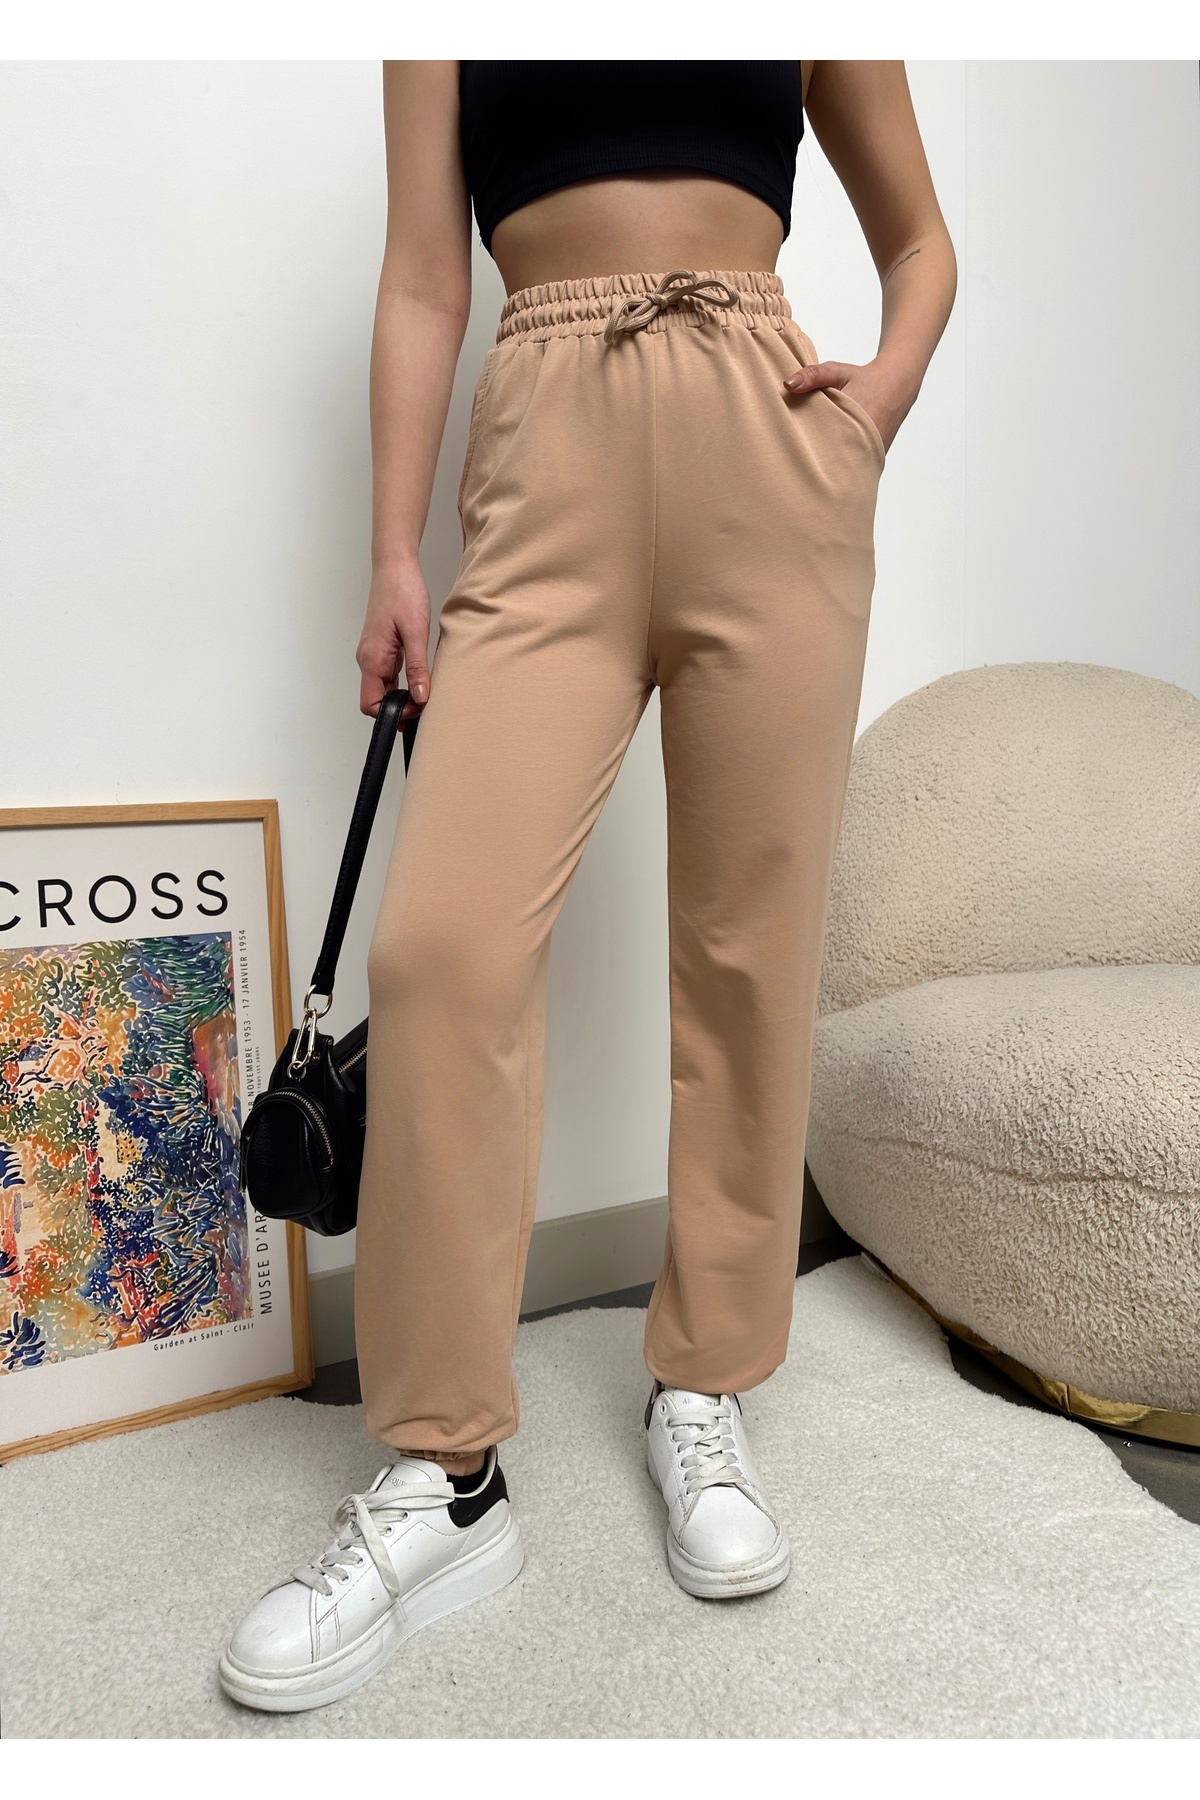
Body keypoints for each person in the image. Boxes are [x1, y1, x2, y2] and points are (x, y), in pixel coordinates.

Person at [219, 59, 956, 1713]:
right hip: (545, 444)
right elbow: (426, 275)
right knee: (440, 956)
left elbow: (922, 241)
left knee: (751, 950)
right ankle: (445, 1472)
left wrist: (878, 404)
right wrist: (394, 549)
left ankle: (705, 1381)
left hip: (773, 450)